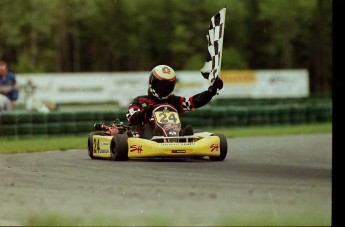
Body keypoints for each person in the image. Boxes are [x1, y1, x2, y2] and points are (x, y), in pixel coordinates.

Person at [126, 65, 223, 139]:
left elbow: (194, 102)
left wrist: (211, 92)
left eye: (168, 86)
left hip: (173, 134)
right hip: (146, 137)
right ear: (152, 83)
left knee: (195, 132)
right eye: (161, 86)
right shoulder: (140, 101)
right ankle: (158, 135)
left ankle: (183, 136)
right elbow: (131, 118)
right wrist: (145, 112)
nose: (164, 89)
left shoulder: (173, 100)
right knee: (147, 128)